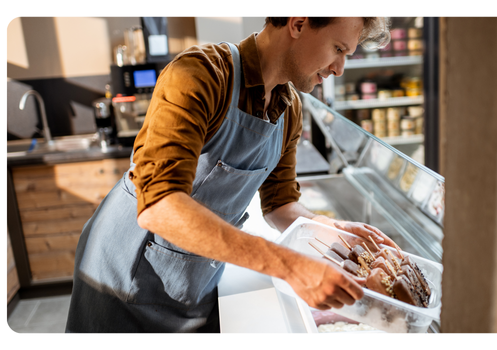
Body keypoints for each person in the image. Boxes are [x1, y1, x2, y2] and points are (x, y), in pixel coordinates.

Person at [66, 17, 394, 333]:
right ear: (298, 23)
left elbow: (280, 205)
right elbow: (159, 205)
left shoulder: (289, 107)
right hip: (122, 276)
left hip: (195, 277)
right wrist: (290, 265)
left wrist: (332, 230)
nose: (339, 68)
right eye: (338, 49)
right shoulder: (200, 74)